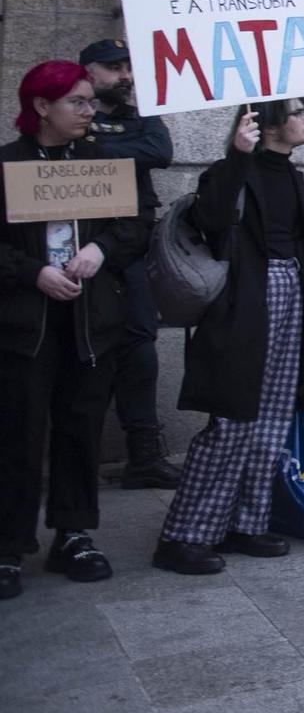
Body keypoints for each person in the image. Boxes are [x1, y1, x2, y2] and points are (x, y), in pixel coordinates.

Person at [154, 99, 304, 576]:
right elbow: (211, 221)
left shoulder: (290, 174)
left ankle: (245, 522)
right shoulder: (228, 171)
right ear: (270, 122)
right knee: (233, 420)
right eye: (298, 112)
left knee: (274, 418)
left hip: (288, 290)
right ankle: (184, 535)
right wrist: (236, 155)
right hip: (244, 305)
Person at [0, 62, 150, 599]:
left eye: (91, 101)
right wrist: (31, 272)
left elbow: (135, 224)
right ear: (42, 107)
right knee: (19, 433)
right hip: (26, 327)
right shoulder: (8, 164)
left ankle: (73, 532)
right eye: (78, 102)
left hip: (91, 322)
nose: (89, 111)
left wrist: (101, 249)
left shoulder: (103, 161)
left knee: (80, 427)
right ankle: (9, 545)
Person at [78, 38, 179, 490]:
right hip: (80, 250)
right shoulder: (78, 116)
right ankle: (78, 455)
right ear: (88, 71)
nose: (125, 76)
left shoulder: (140, 118)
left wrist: (97, 152)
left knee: (140, 349)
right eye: (114, 67)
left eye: (128, 67)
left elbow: (159, 151)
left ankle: (144, 455)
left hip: (130, 246)